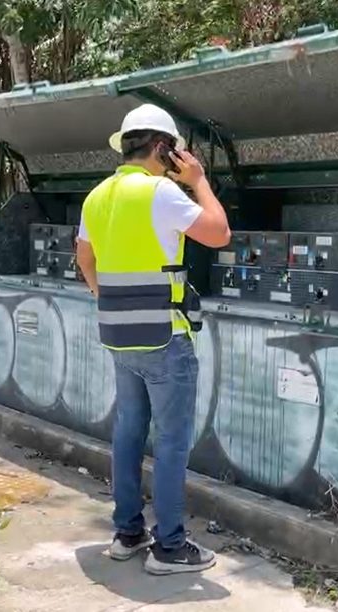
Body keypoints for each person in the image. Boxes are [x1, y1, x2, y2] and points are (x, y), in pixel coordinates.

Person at [75, 104, 231, 575]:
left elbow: (85, 258)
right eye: (174, 152)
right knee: (171, 443)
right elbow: (219, 233)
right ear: (163, 148)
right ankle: (169, 547)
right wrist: (199, 180)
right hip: (166, 338)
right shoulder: (161, 192)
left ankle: (127, 534)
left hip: (120, 337)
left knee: (127, 433)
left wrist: (113, 298)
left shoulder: (97, 196)